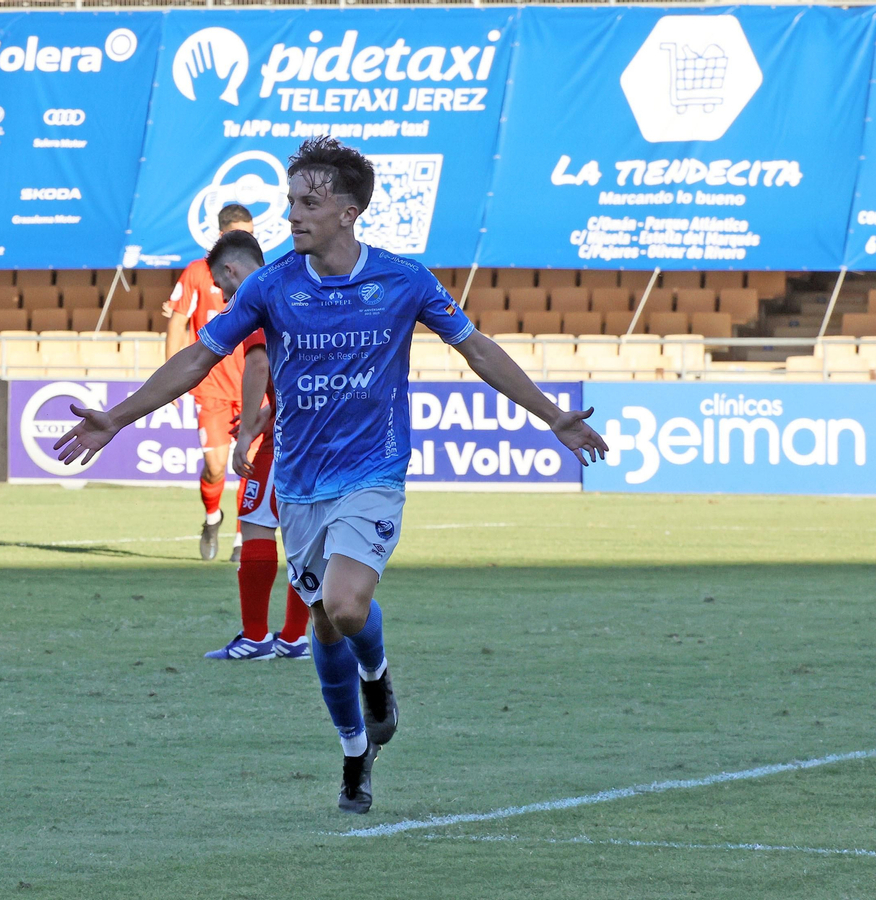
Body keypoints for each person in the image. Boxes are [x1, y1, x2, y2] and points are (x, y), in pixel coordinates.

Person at [56, 137, 607, 814]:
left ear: (348, 212)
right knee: (322, 621)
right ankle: (355, 752)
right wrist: (118, 416)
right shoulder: (271, 284)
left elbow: (478, 350)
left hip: (372, 471)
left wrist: (552, 415)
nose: (292, 214)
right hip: (299, 483)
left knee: (346, 605)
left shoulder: (404, 280)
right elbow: (199, 357)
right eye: (290, 200)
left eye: (308, 202)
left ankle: (376, 676)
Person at [199, 230, 311, 662]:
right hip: (313, 428)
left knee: (258, 521)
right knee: (306, 536)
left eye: (220, 283)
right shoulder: (293, 288)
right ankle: (294, 637)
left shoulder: (255, 296)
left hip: (289, 440)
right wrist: (268, 412)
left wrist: (247, 430)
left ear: (231, 270)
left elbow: (259, 361)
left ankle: (257, 637)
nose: (222, 294)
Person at [163, 203, 255, 561]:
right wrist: (172, 377)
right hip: (211, 387)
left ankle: (242, 538)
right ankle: (212, 516)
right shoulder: (198, 273)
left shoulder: (260, 276)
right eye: (241, 233)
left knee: (248, 463)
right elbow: (177, 322)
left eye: (251, 232)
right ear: (223, 235)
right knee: (216, 466)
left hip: (250, 387)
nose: (249, 239)